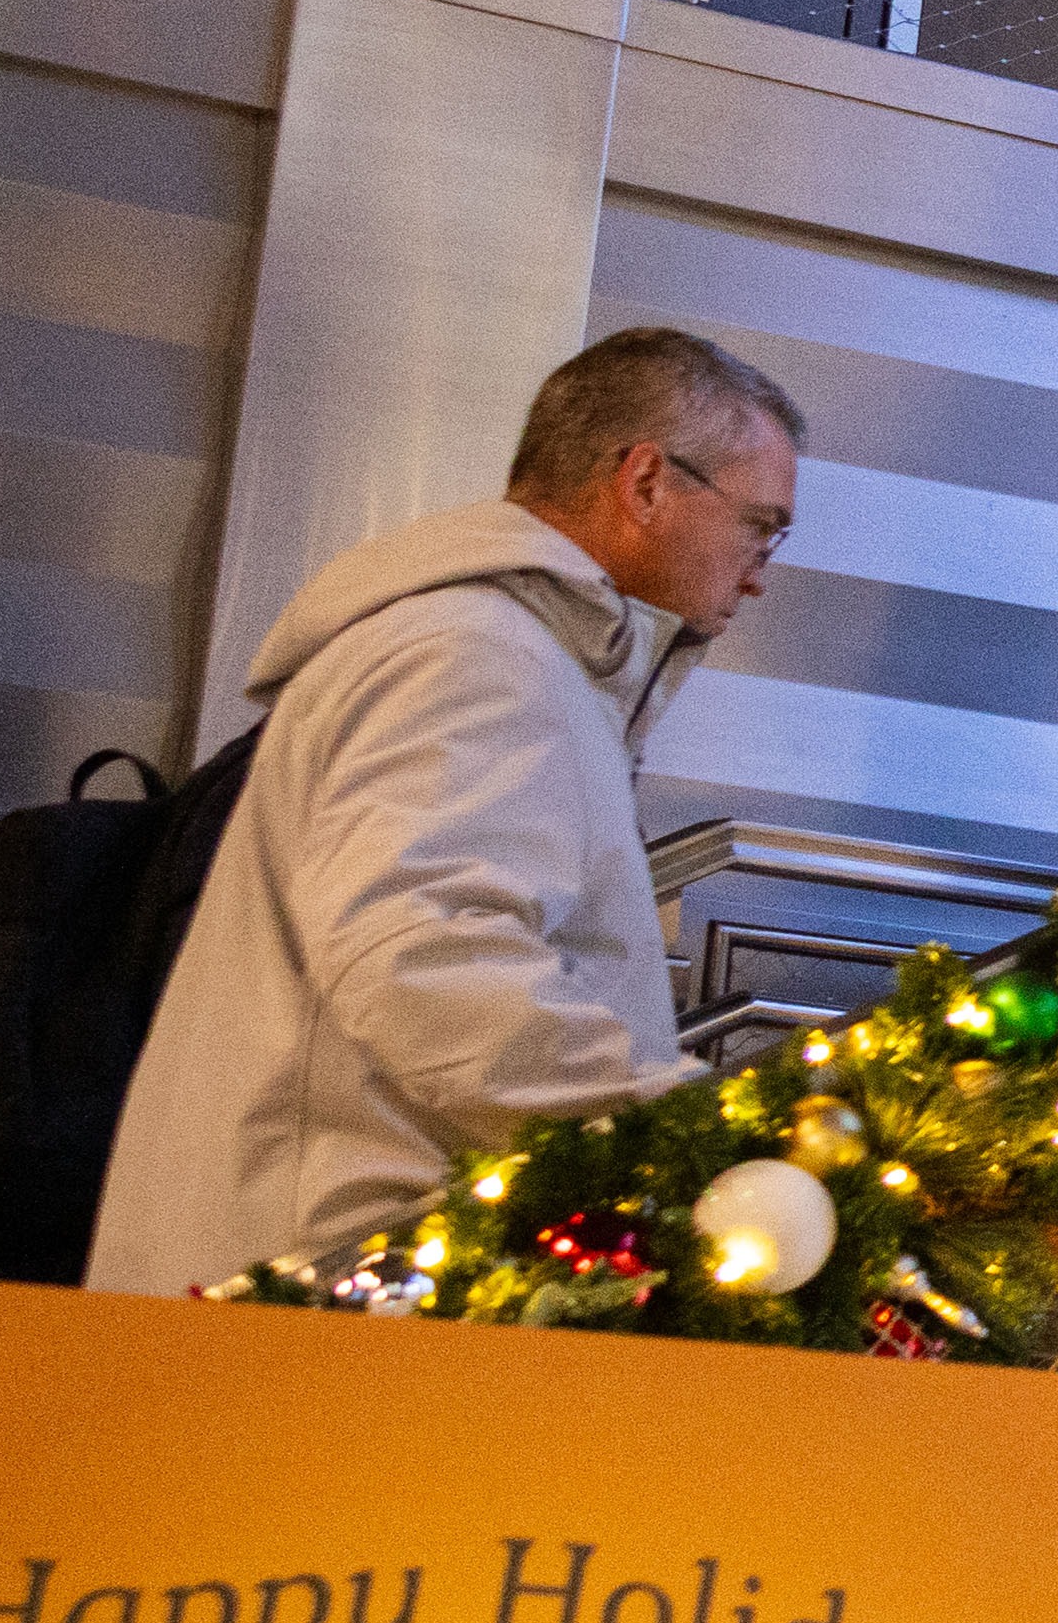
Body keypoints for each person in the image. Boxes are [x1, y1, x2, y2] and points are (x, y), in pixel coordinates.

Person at [86, 330, 798, 1295]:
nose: (759, 572)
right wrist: (677, 1135)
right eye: (761, 527)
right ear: (644, 482)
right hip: (330, 1281)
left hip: (324, 1275)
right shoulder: (477, 657)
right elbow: (427, 956)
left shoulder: (508, 657)